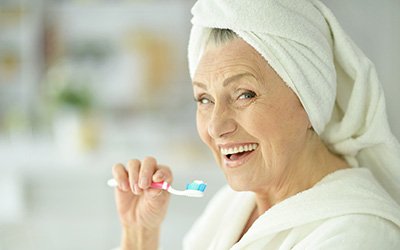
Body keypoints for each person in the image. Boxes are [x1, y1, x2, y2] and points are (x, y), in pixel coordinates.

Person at [111, 0, 400, 249]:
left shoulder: (358, 236)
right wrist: (139, 237)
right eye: (204, 99)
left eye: (244, 94)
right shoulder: (232, 206)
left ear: (309, 98)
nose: (215, 127)